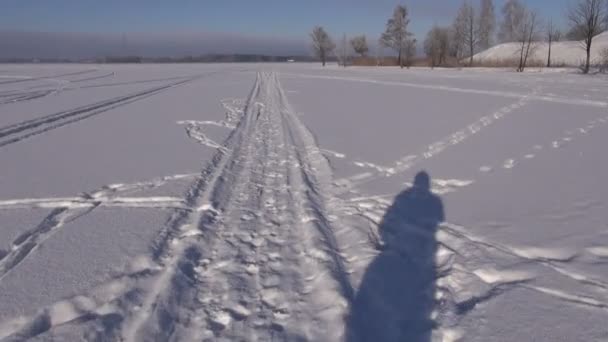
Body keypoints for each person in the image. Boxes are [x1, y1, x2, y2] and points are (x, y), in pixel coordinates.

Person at [347, 171, 445, 342]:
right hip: (402, 251)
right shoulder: (404, 198)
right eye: (419, 185)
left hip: (421, 253)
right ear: (416, 184)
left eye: (423, 185)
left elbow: (438, 220)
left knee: (416, 291)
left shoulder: (433, 201)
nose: (421, 189)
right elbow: (388, 221)